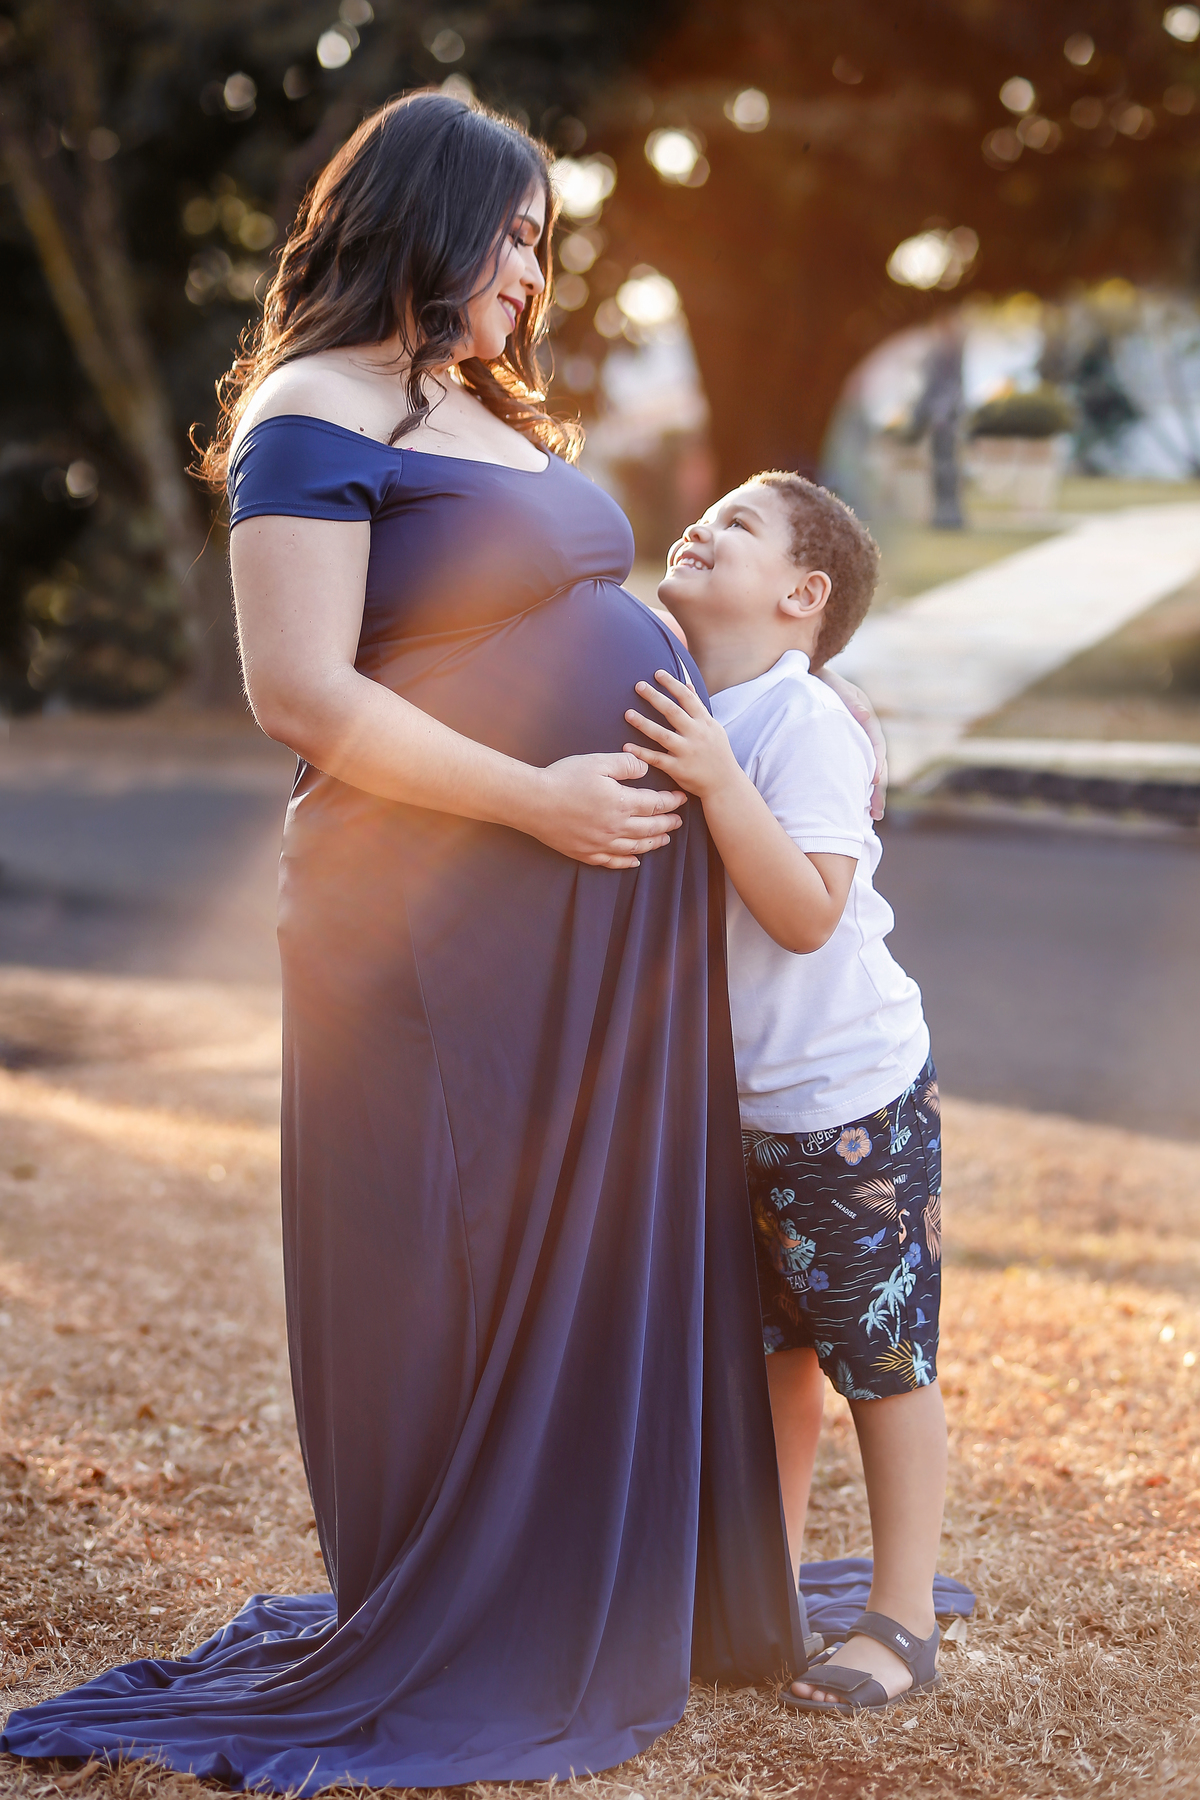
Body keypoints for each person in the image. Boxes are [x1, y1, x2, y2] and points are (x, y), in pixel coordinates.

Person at [2, 94, 804, 1789]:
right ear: (426, 226)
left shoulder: (473, 403)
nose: (536, 265)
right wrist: (539, 798)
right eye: (512, 232)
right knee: (456, 1240)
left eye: (540, 237)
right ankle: (476, 1596)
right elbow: (300, 691)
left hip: (592, 893)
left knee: (585, 1234)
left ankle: (604, 1567)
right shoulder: (313, 407)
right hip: (436, 908)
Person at [624, 471, 947, 1716]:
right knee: (774, 1352)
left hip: (845, 1100)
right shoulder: (695, 691)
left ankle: (903, 1619)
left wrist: (715, 777)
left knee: (881, 1359)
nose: (700, 522)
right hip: (736, 1106)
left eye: (739, 525)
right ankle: (769, 1591)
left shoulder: (798, 723)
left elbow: (809, 915)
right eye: (707, 513)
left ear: (803, 597)